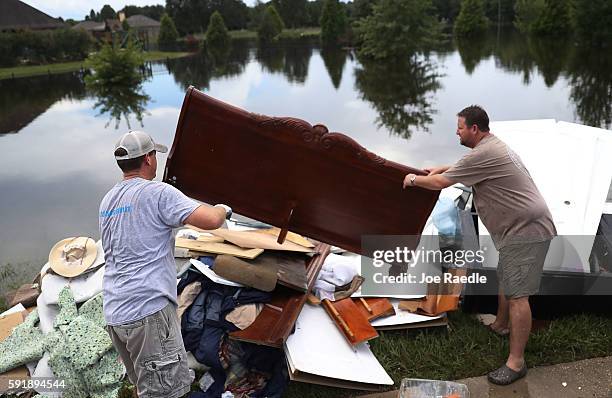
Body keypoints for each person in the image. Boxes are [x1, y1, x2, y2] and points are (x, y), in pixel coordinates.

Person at [402, 106, 556, 385]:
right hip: (519, 227)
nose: (456, 131)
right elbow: (464, 168)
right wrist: (444, 167)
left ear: (474, 129)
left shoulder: (485, 152)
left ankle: (516, 362)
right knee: (506, 277)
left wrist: (413, 180)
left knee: (519, 296)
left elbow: (439, 183)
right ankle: (500, 325)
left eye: (460, 127)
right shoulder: (490, 147)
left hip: (526, 230)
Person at [99, 130, 232, 398]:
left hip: (115, 312)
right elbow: (211, 220)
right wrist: (222, 208)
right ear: (148, 159)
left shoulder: (108, 201)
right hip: (147, 312)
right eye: (154, 155)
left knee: (145, 385)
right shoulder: (158, 192)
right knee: (168, 392)